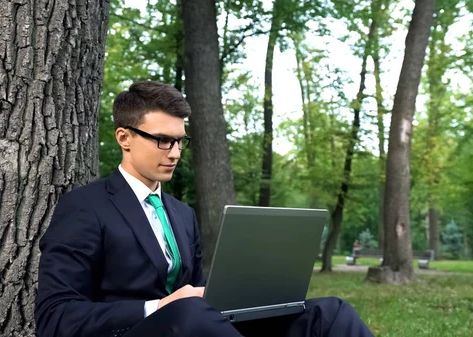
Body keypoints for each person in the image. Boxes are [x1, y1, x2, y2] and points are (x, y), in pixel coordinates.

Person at [34, 80, 375, 337]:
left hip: (200, 328)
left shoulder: (182, 215)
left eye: (180, 141)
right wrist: (159, 307)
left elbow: (201, 298)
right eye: (162, 140)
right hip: (139, 331)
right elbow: (55, 317)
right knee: (189, 315)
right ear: (124, 137)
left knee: (330, 313)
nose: (174, 152)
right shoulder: (84, 207)